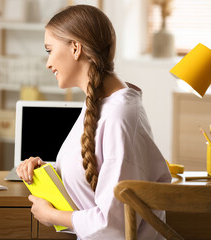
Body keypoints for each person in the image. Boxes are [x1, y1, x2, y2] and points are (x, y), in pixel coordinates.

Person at [16, 5, 171, 240]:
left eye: (50, 50)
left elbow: (115, 225)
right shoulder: (101, 104)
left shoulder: (118, 115)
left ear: (75, 48)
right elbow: (92, 186)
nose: (48, 63)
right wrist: (46, 171)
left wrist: (52, 216)